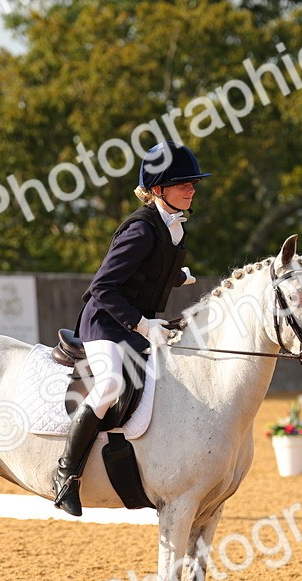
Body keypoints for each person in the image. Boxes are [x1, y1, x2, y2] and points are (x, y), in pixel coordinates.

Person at [51, 140, 211, 516]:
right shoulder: (141, 229)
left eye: (193, 183)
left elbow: (145, 272)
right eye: (183, 183)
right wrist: (141, 323)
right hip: (106, 322)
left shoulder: (173, 227)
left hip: (139, 324)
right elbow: (103, 287)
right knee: (108, 386)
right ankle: (65, 475)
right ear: (157, 190)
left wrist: (177, 276)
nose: (192, 189)